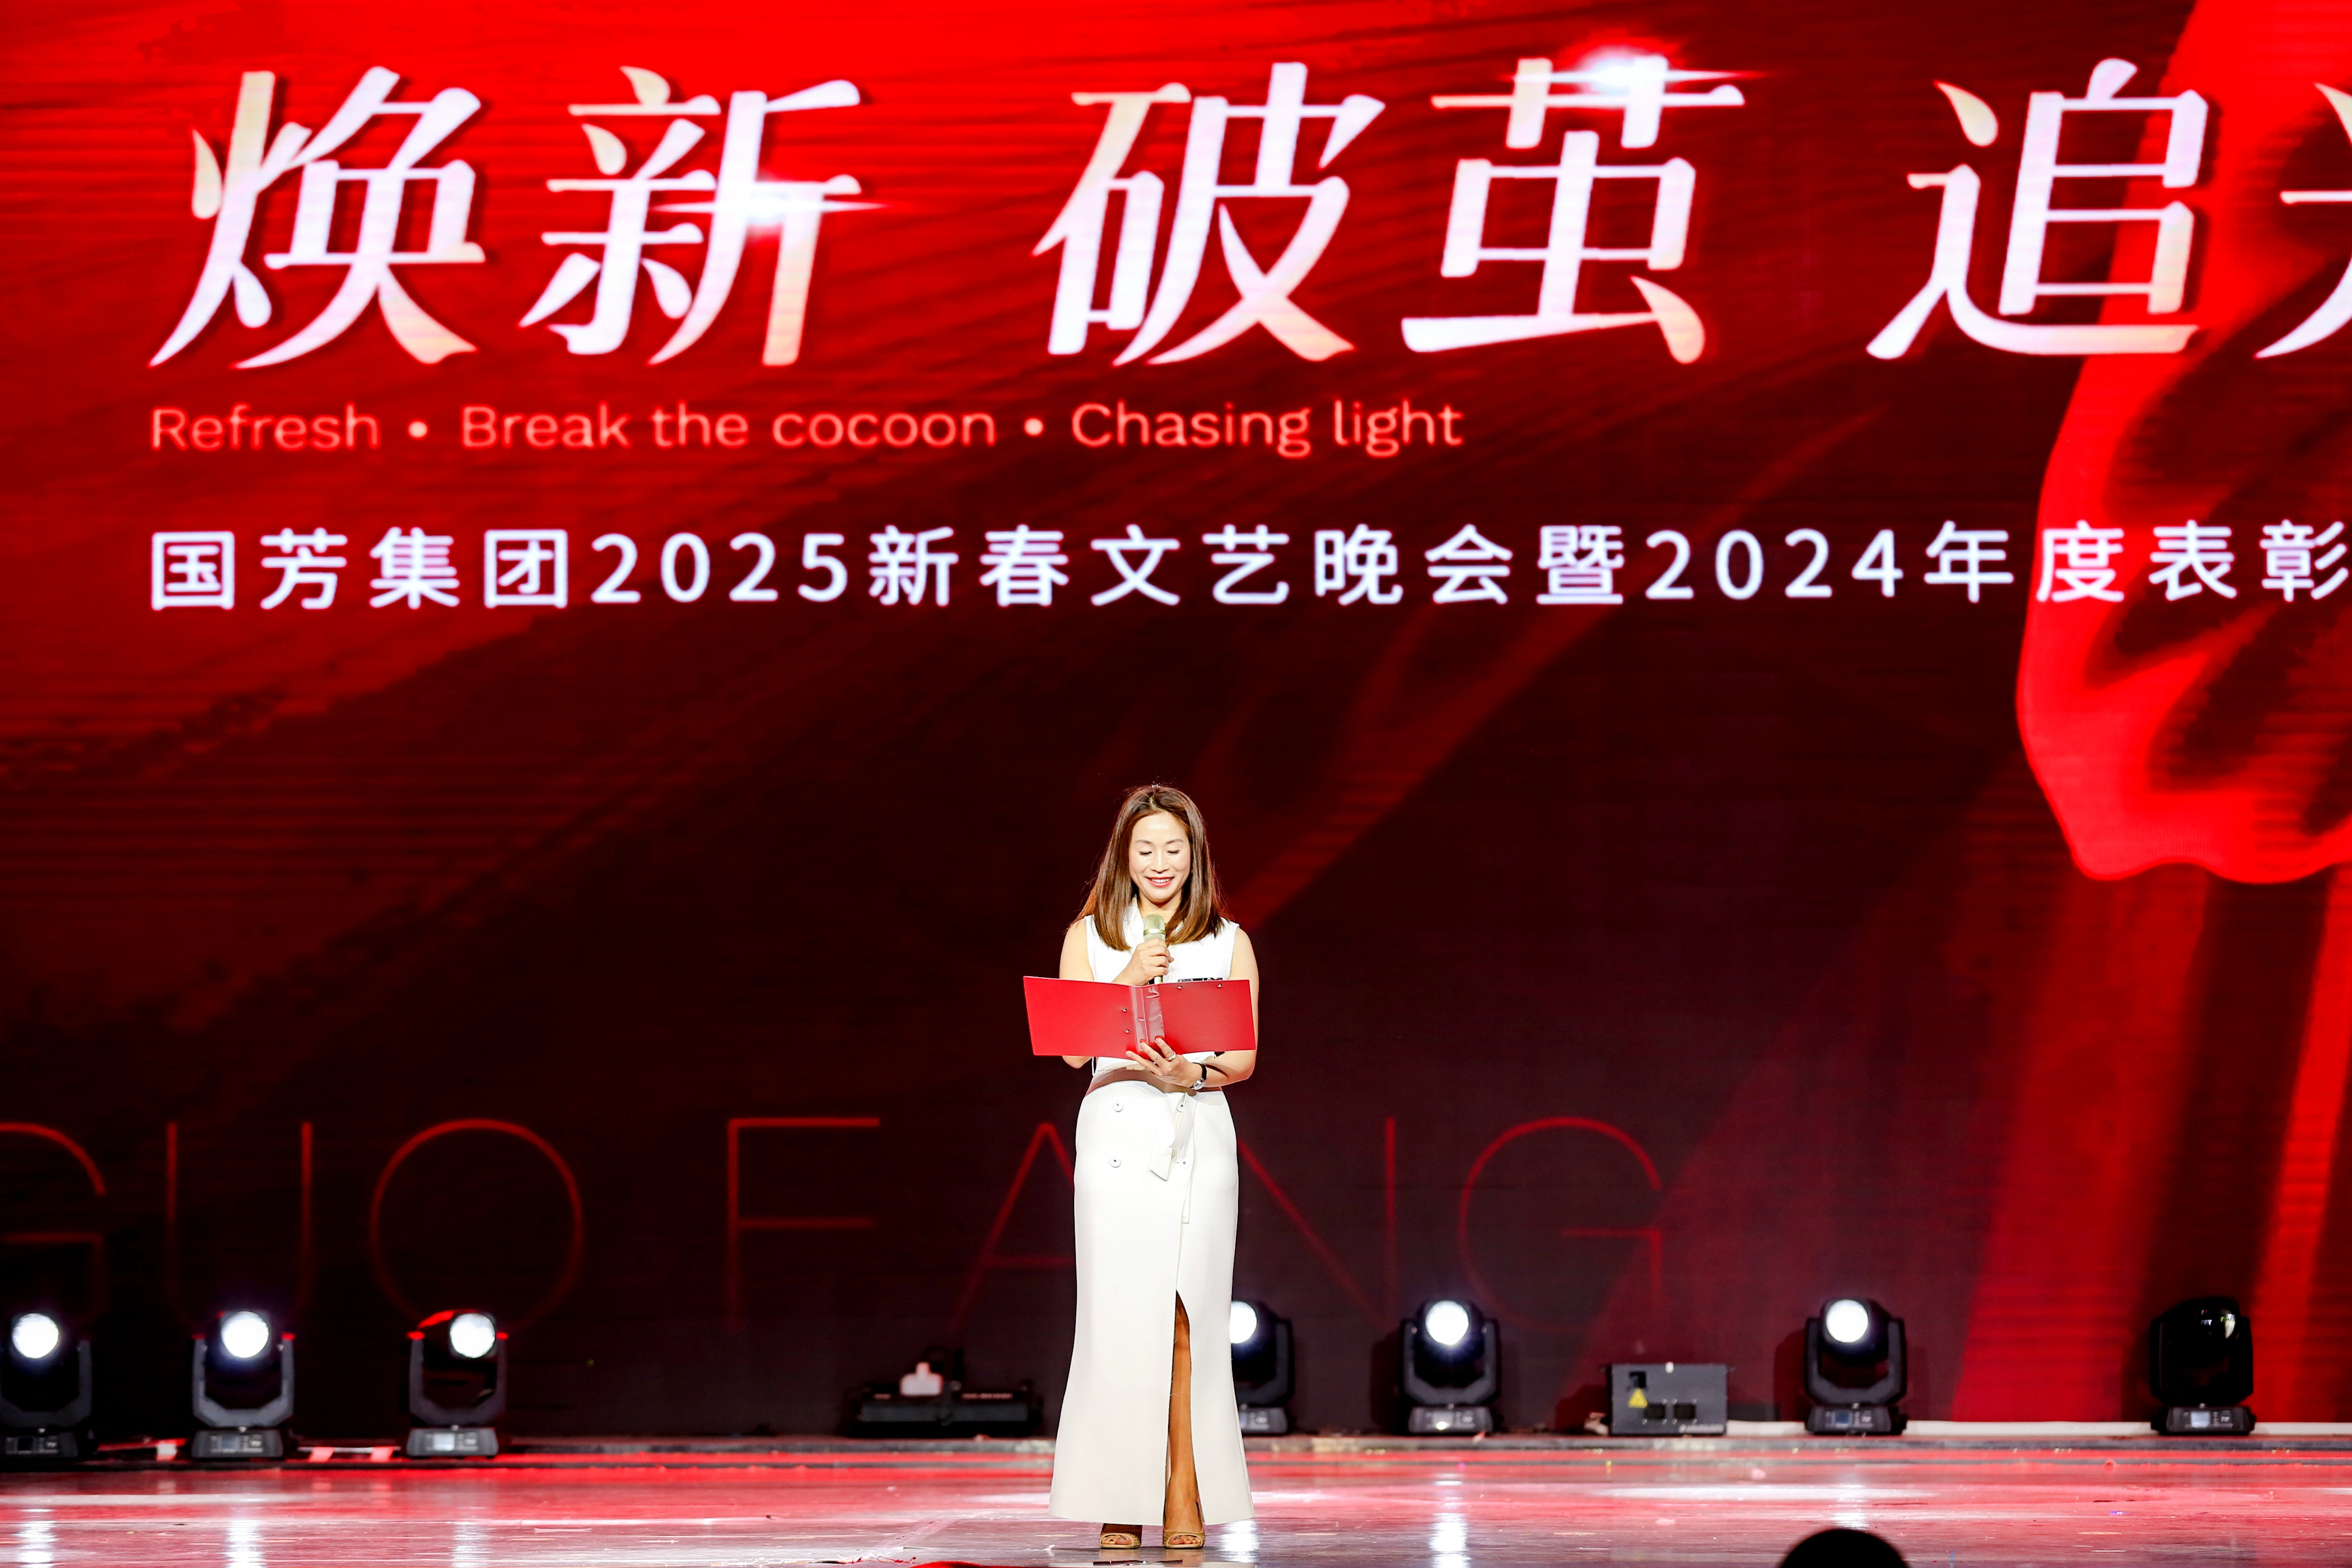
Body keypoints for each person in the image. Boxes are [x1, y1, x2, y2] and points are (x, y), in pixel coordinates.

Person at [1047, 785, 1261, 1553]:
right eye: (1146, 849)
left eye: (1174, 849)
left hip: (1196, 1127)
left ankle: (1183, 1489)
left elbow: (1242, 1058)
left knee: (1186, 1318)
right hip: (1117, 1133)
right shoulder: (1090, 936)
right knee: (1116, 1316)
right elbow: (1071, 1047)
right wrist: (1131, 974)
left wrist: (1190, 1074)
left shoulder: (1228, 941)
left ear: (1194, 856)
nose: (1160, 863)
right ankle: (1118, 1497)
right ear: (1124, 856)